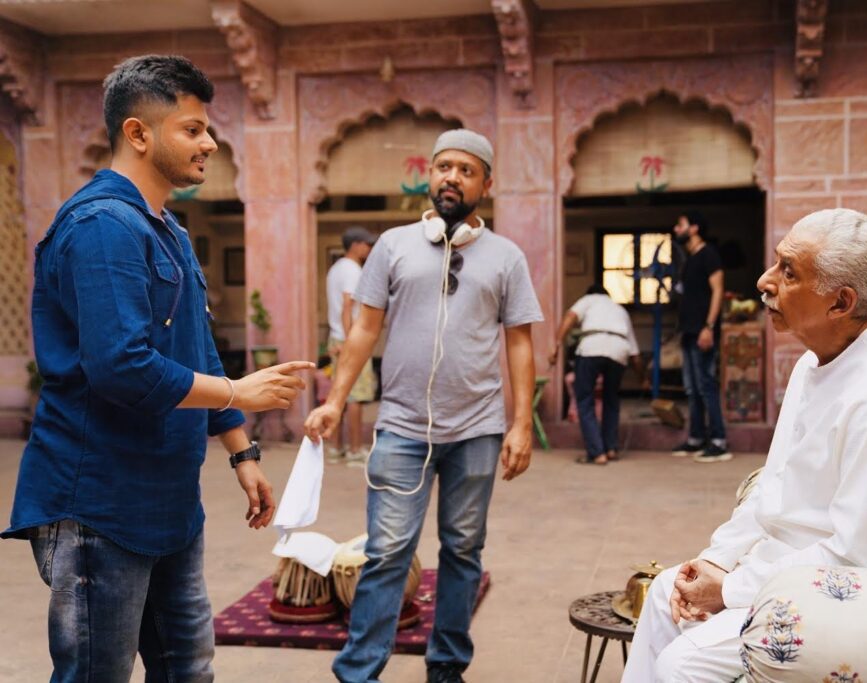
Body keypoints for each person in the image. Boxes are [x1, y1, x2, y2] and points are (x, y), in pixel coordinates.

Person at [1, 55, 313, 682]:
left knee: (187, 670)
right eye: (192, 129)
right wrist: (238, 391)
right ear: (138, 133)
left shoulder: (165, 227)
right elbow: (122, 368)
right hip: (99, 505)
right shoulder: (102, 226)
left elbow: (194, 348)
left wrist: (240, 452)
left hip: (168, 502)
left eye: (207, 129)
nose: (210, 141)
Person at [623, 209, 867, 683]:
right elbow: (775, 484)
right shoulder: (813, 363)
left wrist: (731, 590)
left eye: (789, 272)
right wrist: (715, 561)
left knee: (685, 665)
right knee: (670, 590)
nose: (766, 281)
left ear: (840, 302)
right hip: (791, 568)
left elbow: (860, 558)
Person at [304, 129, 543, 683]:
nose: (451, 177)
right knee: (387, 552)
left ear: (486, 182)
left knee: (463, 550)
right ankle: (359, 672)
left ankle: (446, 667)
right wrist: (335, 402)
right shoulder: (392, 245)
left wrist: (520, 424)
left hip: (478, 428)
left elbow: (520, 341)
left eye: (464, 169)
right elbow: (365, 329)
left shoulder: (506, 257)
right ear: (429, 177)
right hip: (402, 427)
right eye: (442, 167)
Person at [549, 284, 643, 465]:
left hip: (592, 347)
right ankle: (611, 449)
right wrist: (643, 379)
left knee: (584, 399)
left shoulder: (589, 299)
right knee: (611, 399)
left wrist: (557, 344)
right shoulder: (620, 309)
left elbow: (570, 317)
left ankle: (596, 453)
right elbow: (636, 356)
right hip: (619, 350)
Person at [670, 211, 731, 462]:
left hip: (702, 330)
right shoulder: (689, 259)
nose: (676, 229)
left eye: (680, 225)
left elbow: (718, 291)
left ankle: (718, 441)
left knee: (706, 386)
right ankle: (696, 438)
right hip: (687, 331)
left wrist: (708, 326)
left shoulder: (709, 254)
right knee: (692, 388)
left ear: (694, 228)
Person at [325, 226, 377, 465]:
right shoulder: (353, 270)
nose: (369, 248)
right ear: (355, 244)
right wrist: (351, 341)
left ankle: (336, 449)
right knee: (355, 397)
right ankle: (355, 450)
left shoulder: (336, 269)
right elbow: (348, 306)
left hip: (337, 336)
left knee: (339, 394)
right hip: (348, 338)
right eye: (366, 244)